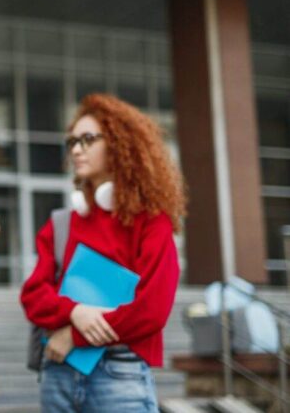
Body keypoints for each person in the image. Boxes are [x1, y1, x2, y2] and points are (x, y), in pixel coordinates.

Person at [19, 93, 186, 412]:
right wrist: (75, 312)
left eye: (88, 139)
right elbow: (33, 295)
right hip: (58, 372)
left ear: (120, 145)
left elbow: (152, 309)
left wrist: (75, 335)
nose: (76, 149)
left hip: (119, 375)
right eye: (72, 142)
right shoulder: (62, 223)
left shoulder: (151, 221)